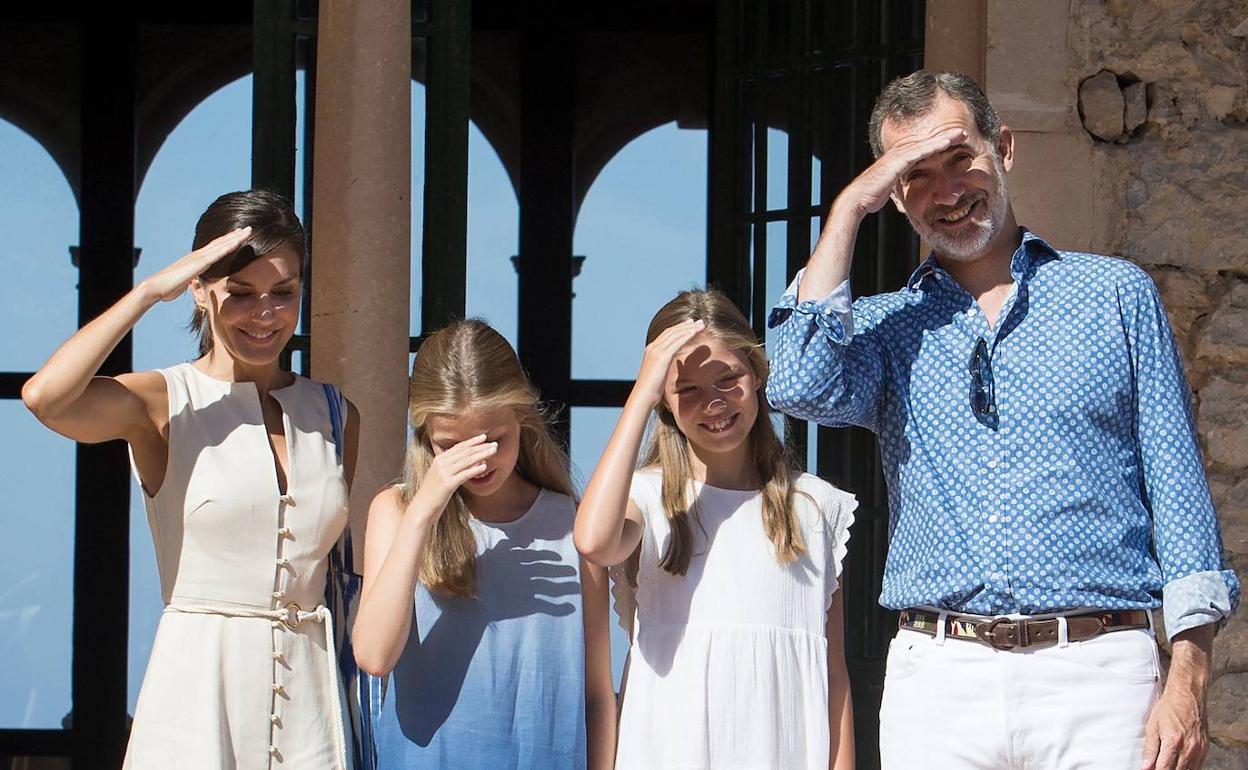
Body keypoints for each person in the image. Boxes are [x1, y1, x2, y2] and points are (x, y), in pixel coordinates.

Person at [766, 70, 1240, 770]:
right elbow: (798, 380)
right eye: (915, 175)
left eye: (960, 159)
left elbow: (1179, 495)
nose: (947, 193)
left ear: (1005, 147)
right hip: (940, 687)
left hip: (1102, 678)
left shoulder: (1115, 296)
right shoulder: (888, 330)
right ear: (895, 197)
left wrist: (1188, 682)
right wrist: (848, 208)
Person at [22, 190, 359, 768]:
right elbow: (45, 397)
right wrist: (151, 292)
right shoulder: (165, 400)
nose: (265, 313)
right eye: (242, 293)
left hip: (312, 702)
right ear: (201, 290)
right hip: (197, 695)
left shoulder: (334, 414)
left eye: (284, 292)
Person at [575, 289, 857, 770]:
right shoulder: (648, 499)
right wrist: (641, 394)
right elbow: (594, 541)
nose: (713, 403)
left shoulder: (815, 506)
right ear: (664, 402)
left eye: (728, 379)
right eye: (687, 390)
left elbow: (834, 674)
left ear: (757, 374)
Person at [352, 319, 616, 769]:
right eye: (452, 446)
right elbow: (374, 656)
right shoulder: (397, 512)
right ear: (425, 437)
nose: (480, 461)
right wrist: (423, 514)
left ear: (523, 418)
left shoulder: (572, 522)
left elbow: (597, 692)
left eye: (495, 440)